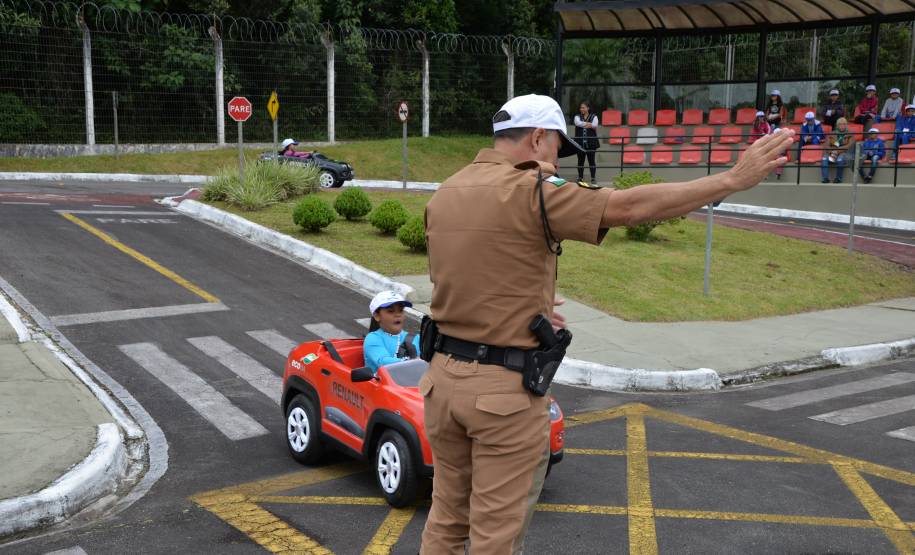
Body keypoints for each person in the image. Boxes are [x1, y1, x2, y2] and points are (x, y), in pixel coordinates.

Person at [419, 93, 793, 554]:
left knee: (446, 521)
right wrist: (731, 179)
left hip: (440, 383)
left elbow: (458, 273)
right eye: (557, 147)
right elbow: (629, 208)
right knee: (495, 537)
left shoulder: (449, 189)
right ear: (538, 138)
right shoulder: (532, 188)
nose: (558, 161)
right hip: (500, 397)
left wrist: (521, 305)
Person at [363, 291, 421, 374]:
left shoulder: (416, 338)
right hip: (381, 385)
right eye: (390, 311)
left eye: (401, 310)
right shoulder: (373, 338)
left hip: (412, 384)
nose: (397, 315)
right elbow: (383, 362)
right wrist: (415, 362)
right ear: (377, 316)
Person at [572, 101, 599, 184]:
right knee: (580, 161)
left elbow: (595, 125)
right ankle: (580, 178)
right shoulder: (577, 116)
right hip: (579, 143)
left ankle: (593, 178)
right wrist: (588, 124)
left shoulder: (594, 116)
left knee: (591, 161)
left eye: (583, 107)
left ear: (588, 108)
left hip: (591, 143)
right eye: (581, 108)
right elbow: (577, 123)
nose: (581, 109)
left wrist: (584, 124)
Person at [821, 117, 854, 183]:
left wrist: (837, 151)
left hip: (844, 153)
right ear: (837, 125)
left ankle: (838, 178)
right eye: (840, 124)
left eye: (844, 124)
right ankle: (825, 178)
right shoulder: (832, 134)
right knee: (824, 159)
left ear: (846, 125)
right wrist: (832, 151)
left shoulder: (850, 134)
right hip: (832, 152)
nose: (842, 126)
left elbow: (848, 146)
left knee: (840, 160)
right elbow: (826, 145)